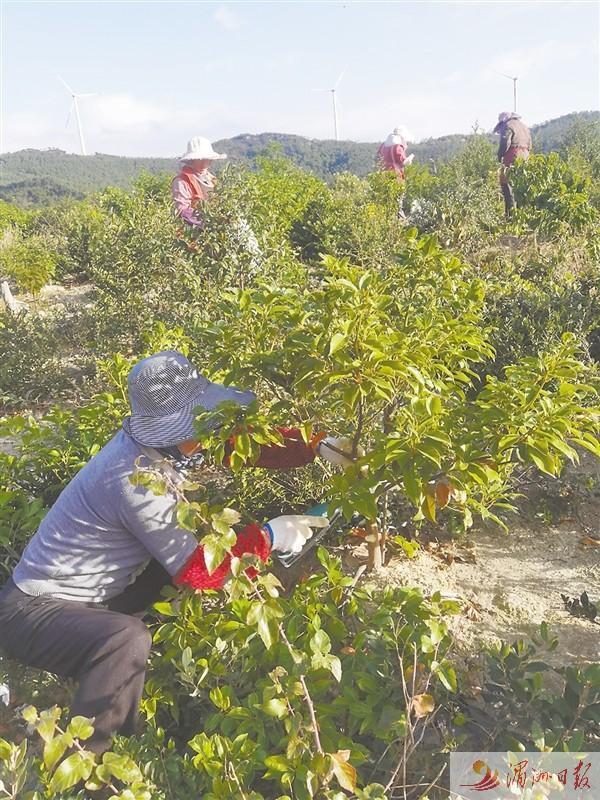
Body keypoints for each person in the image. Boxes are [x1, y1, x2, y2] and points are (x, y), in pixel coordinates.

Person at [0, 351, 353, 754]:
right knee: (125, 639)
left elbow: (238, 446)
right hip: (31, 613)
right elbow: (203, 573)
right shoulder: (135, 479)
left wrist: (314, 445)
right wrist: (269, 537)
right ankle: (90, 765)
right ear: (171, 430)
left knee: (171, 573)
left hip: (94, 598)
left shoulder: (166, 446)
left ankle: (124, 687)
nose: (211, 428)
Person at [171, 136, 227, 229]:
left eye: (207, 158)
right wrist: (207, 222)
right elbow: (182, 210)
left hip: (216, 231)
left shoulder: (212, 179)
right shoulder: (182, 180)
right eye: (202, 158)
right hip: (193, 233)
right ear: (192, 160)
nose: (207, 161)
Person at [493, 111, 532, 218]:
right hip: (525, 157)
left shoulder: (508, 126)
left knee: (506, 185)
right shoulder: (525, 127)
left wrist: (500, 156)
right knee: (521, 187)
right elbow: (530, 145)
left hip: (513, 156)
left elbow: (505, 143)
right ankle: (522, 215)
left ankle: (510, 216)